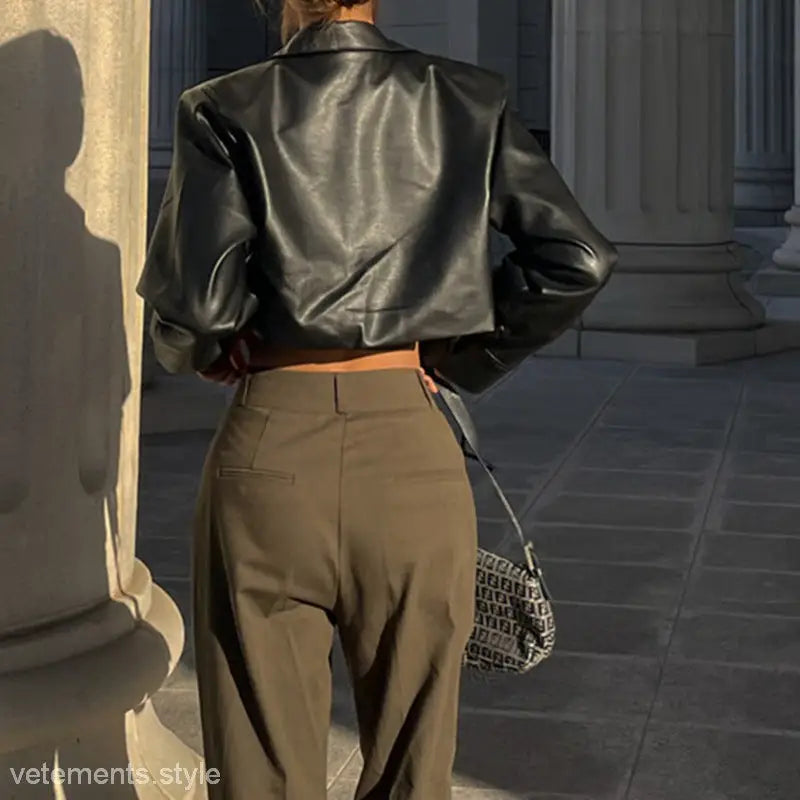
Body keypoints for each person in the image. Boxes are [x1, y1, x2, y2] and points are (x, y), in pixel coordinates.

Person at [136, 1, 618, 797]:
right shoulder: (466, 97)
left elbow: (195, 311)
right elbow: (577, 258)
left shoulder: (223, 106)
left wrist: (213, 353)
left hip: (272, 448)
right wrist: (456, 357)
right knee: (412, 768)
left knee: (258, 768)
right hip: (409, 453)